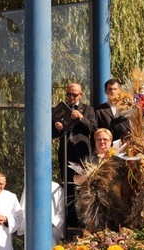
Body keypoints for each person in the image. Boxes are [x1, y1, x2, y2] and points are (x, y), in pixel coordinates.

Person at [52, 82, 96, 228]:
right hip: (66, 153)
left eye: (74, 95)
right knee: (67, 188)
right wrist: (57, 128)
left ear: (81, 95)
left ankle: (83, 223)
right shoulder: (60, 109)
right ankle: (68, 223)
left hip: (81, 154)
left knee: (82, 187)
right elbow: (51, 134)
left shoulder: (88, 109)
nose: (71, 97)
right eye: (68, 94)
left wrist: (81, 117)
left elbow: (93, 128)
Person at [18, 181, 65, 247]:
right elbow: (23, 209)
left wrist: (48, 224)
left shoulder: (57, 188)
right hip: (33, 229)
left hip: (50, 230)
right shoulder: (30, 186)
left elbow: (61, 214)